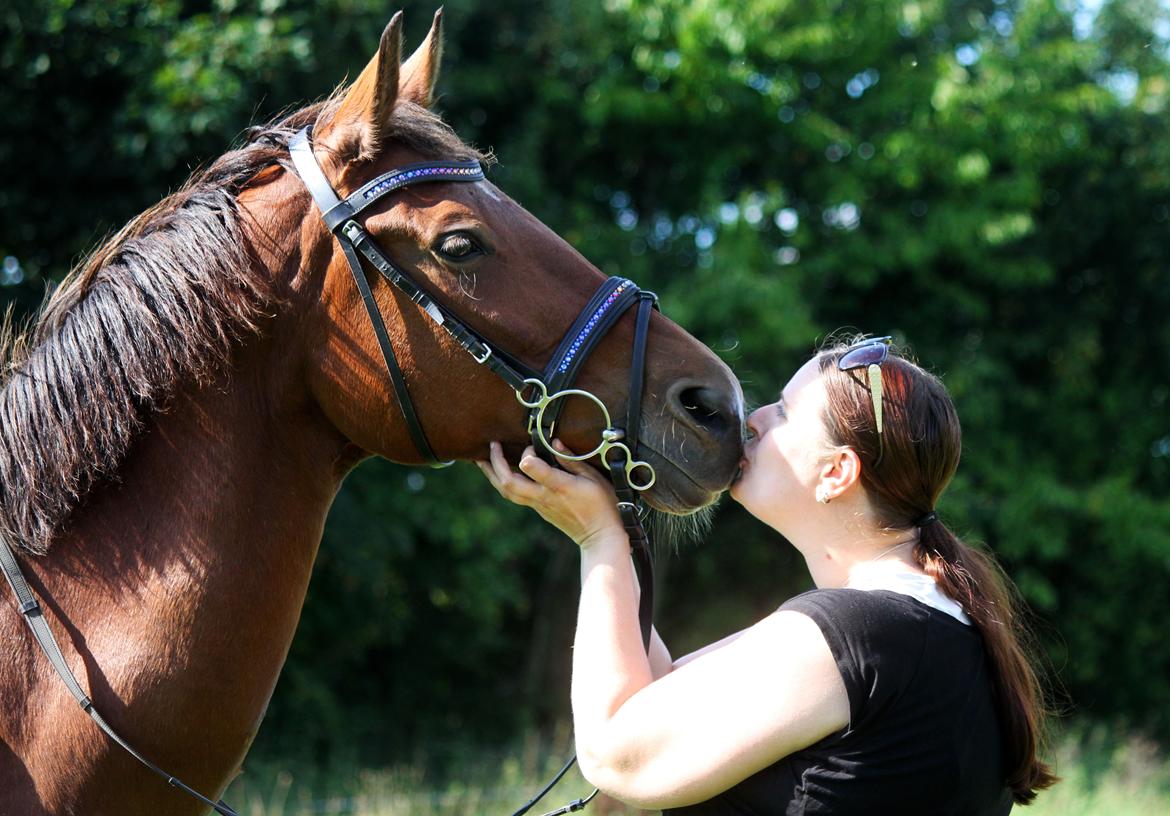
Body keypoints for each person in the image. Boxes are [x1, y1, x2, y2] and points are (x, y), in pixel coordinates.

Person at [478, 335, 1057, 814]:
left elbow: (619, 758)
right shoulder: (924, 624)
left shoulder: (855, 634)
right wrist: (613, 529)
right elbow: (655, 699)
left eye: (783, 411)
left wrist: (598, 541)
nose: (753, 421)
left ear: (836, 472)